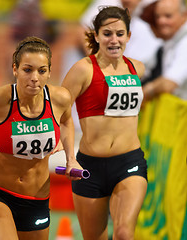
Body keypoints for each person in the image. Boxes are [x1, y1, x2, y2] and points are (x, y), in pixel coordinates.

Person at [0, 36, 82, 240]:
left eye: (42, 70)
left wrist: (71, 158)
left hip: (37, 201)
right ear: (15, 69)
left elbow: (66, 121)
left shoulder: (60, 99)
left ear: (49, 72)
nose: (35, 77)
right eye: (28, 69)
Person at [62, 6, 148, 240]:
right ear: (97, 35)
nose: (114, 40)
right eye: (107, 33)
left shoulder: (137, 69)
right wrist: (70, 158)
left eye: (120, 34)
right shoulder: (83, 70)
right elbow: (60, 114)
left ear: (128, 36)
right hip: (90, 167)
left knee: (123, 233)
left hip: (129, 162)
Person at [142, 0, 187, 101]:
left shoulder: (185, 42)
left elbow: (169, 83)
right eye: (158, 16)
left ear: (184, 15)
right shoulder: (171, 42)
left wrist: (147, 91)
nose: (161, 21)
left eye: (168, 16)